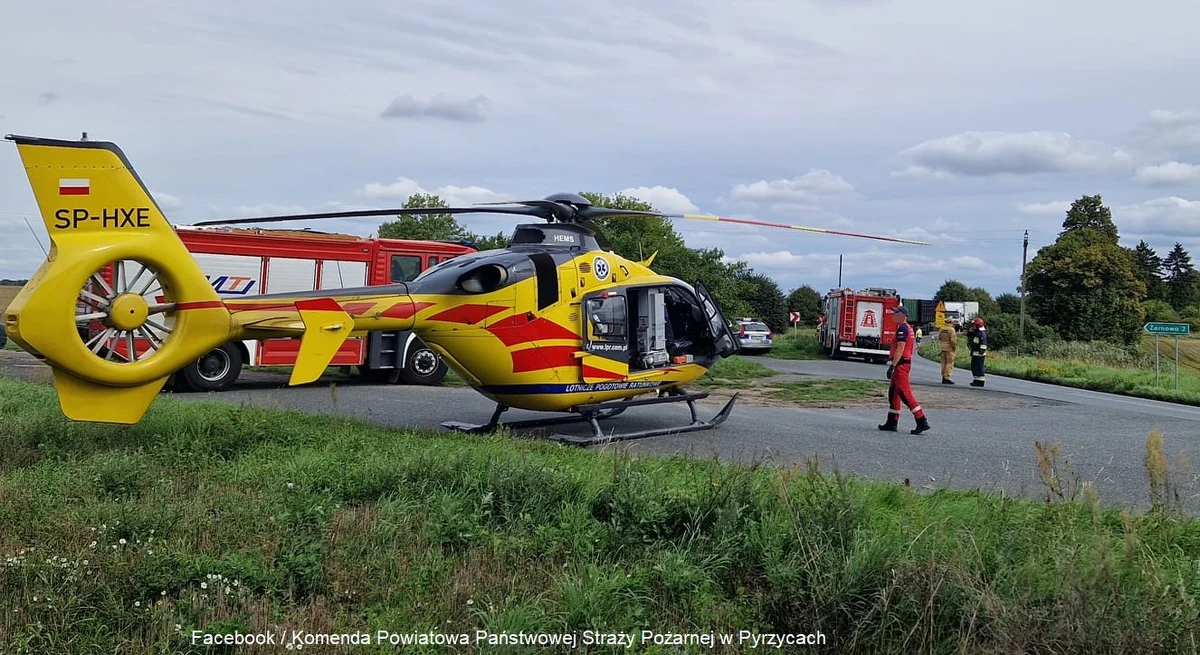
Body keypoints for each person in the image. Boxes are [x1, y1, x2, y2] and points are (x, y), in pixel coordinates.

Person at [878, 305, 931, 435]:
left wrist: (892, 366)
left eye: (896, 314)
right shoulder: (907, 328)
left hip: (901, 364)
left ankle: (921, 420)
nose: (894, 316)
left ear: (903, 315)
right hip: (902, 364)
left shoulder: (903, 329)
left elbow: (900, 349)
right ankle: (892, 422)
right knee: (893, 393)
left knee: (904, 393)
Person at [967, 316, 988, 387]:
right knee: (974, 367)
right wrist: (970, 331)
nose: (973, 326)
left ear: (977, 325)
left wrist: (981, 351)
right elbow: (969, 336)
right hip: (975, 353)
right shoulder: (976, 332)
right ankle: (976, 380)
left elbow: (983, 343)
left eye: (974, 325)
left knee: (978, 367)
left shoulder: (981, 333)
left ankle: (981, 381)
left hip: (979, 354)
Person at [937, 317, 958, 384]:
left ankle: (943, 376)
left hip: (942, 347)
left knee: (943, 363)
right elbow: (952, 340)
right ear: (951, 322)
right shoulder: (951, 330)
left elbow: (939, 337)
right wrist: (954, 347)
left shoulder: (941, 329)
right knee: (949, 363)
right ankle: (947, 377)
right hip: (949, 348)